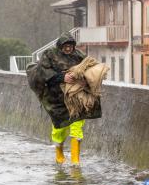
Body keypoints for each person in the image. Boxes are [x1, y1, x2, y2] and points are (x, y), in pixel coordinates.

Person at [28, 32, 101, 165]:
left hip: (77, 98)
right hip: (57, 99)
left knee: (77, 126)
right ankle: (59, 153)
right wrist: (62, 78)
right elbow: (43, 72)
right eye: (65, 46)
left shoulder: (79, 56)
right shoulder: (49, 54)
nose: (68, 49)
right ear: (60, 45)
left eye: (70, 46)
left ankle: (75, 161)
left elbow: (90, 69)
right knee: (59, 129)